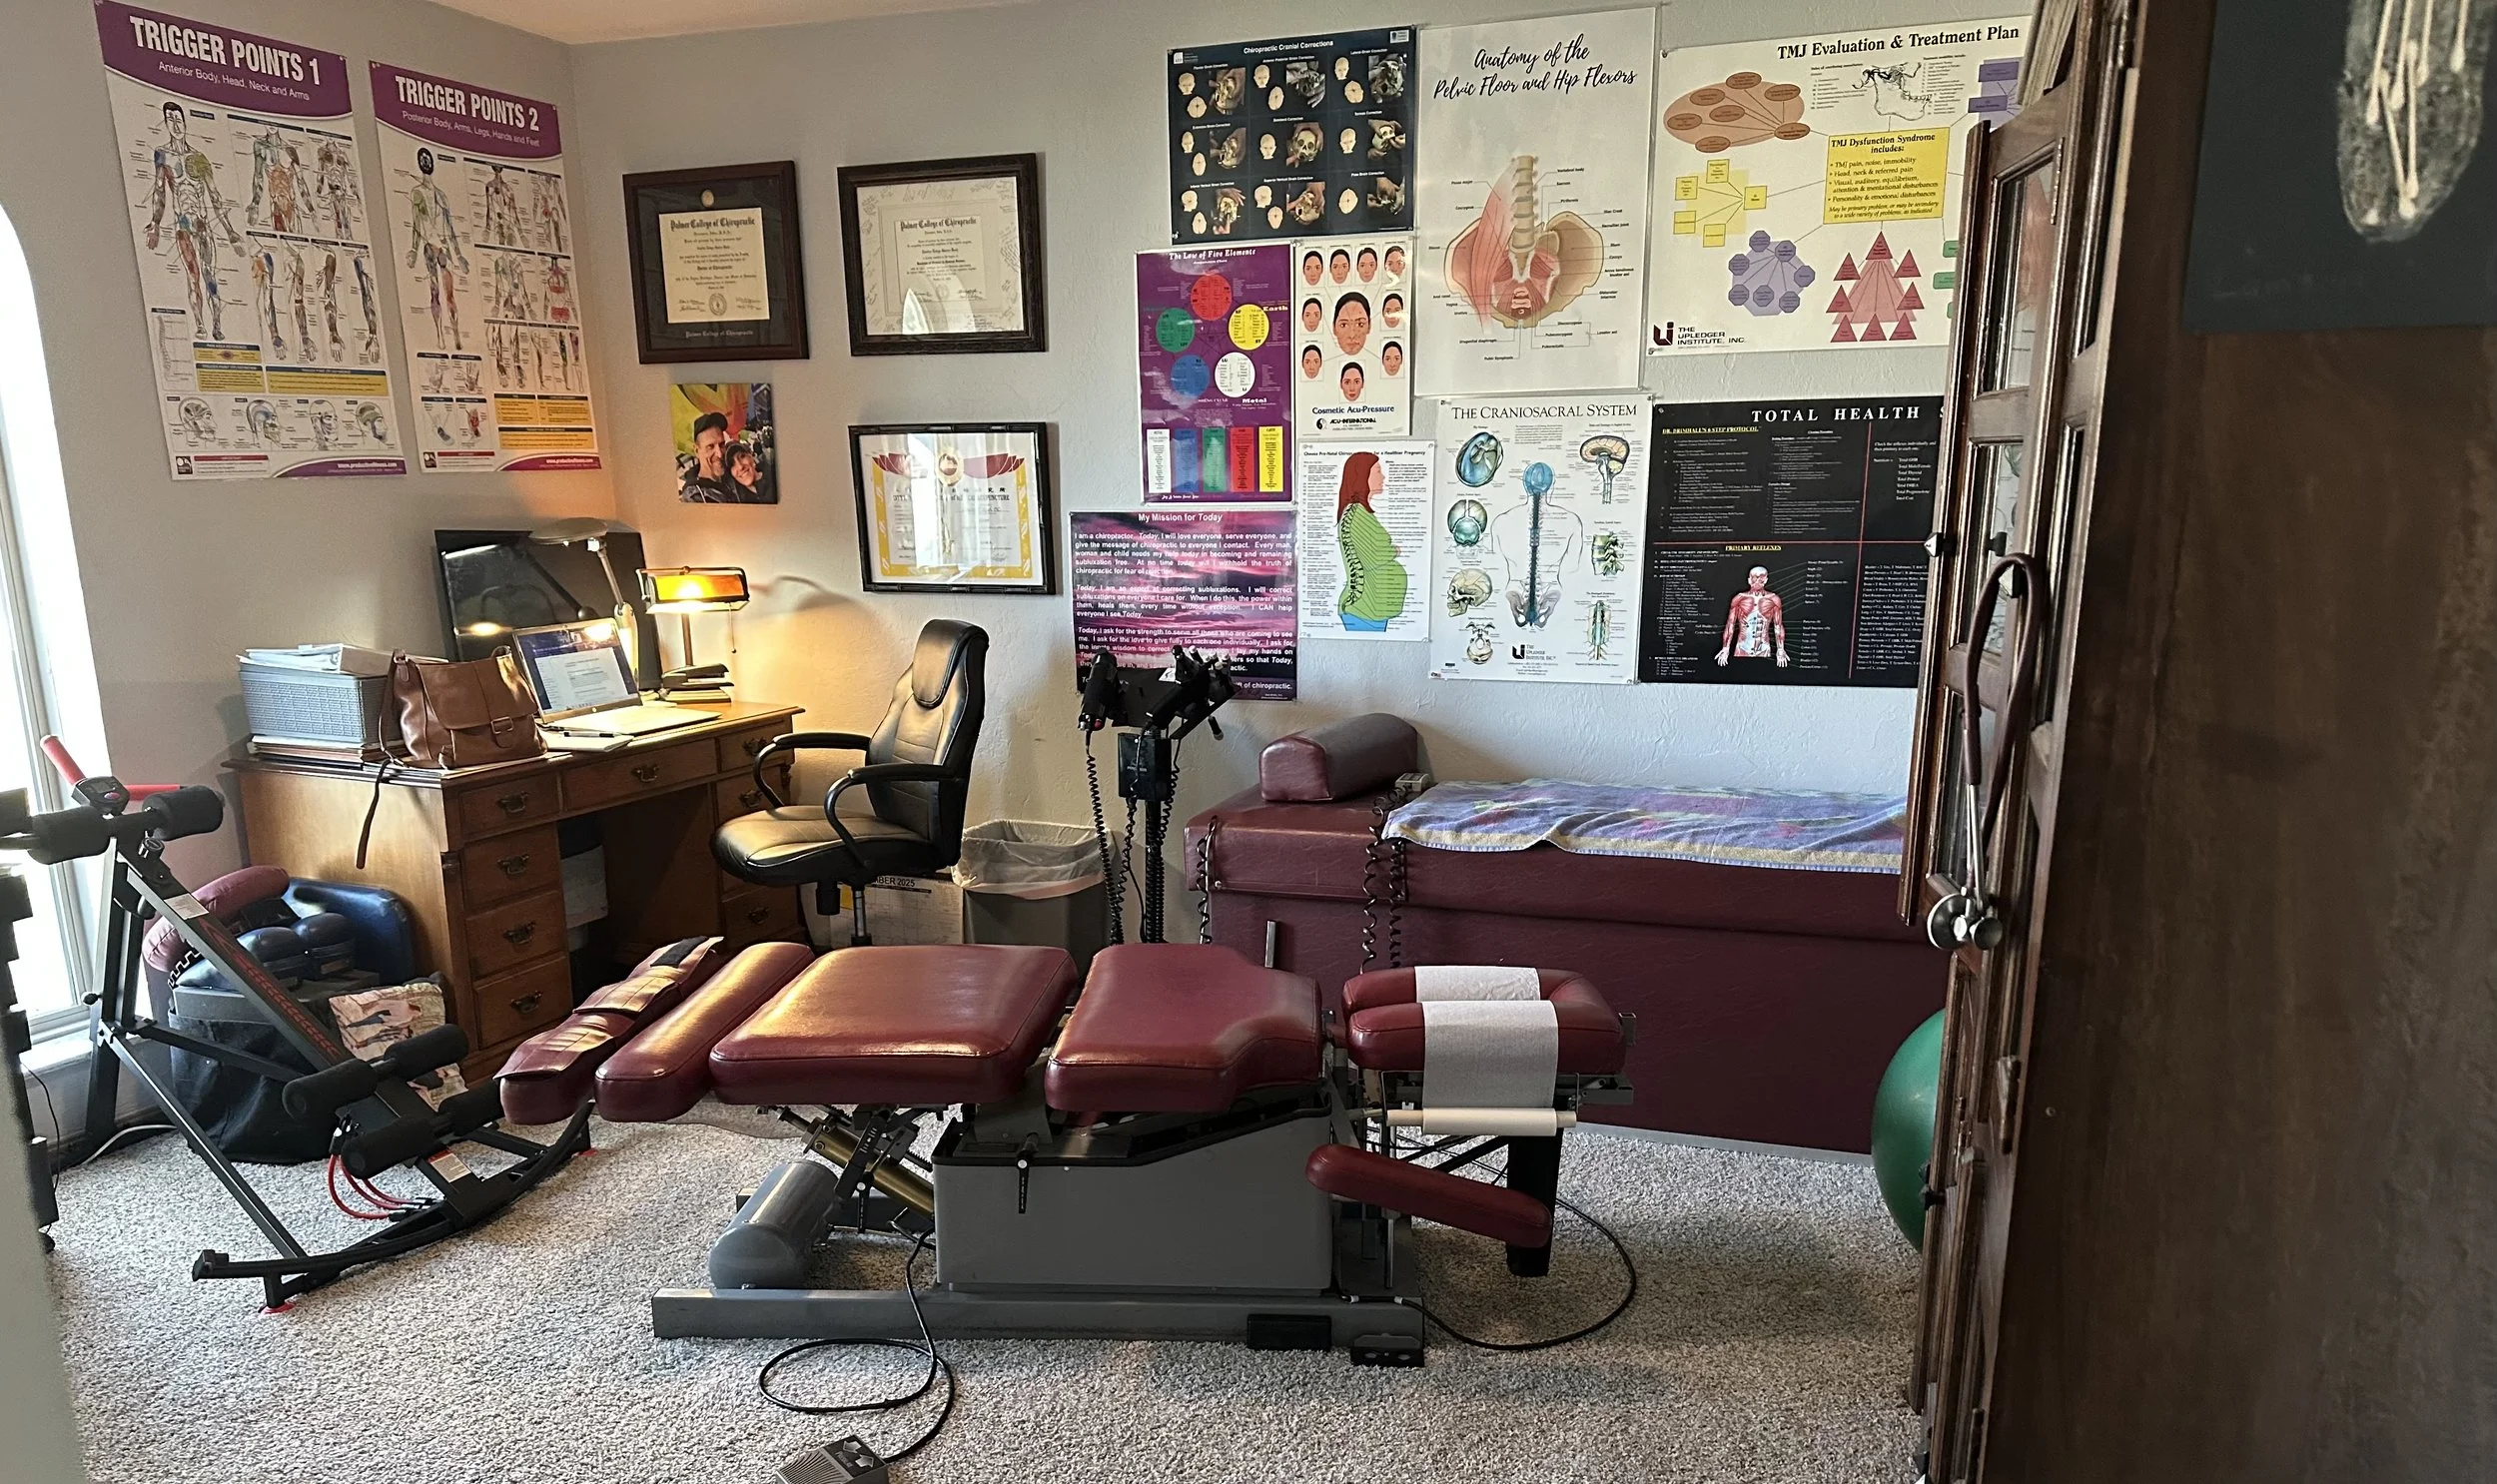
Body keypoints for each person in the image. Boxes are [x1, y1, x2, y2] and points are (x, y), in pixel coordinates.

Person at [1716, 566, 1791, 667]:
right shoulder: (1739, 598)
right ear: (1749, 579)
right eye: (1754, 577)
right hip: (1742, 649)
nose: (1757, 581)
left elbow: (1778, 625)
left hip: (1763, 650)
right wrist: (1725, 648)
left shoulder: (1774, 599)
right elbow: (1730, 625)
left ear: (1766, 580)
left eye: (1761, 577)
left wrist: (1780, 649)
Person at [679, 411, 743, 502]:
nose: (719, 454)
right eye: (710, 447)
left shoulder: (733, 473)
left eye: (721, 444)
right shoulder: (695, 498)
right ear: (697, 451)